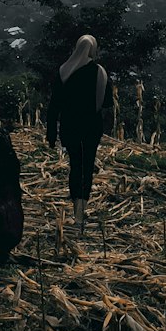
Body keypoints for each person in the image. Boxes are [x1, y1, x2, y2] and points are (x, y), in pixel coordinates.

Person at [46, 34, 107, 230]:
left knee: (75, 165)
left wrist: (51, 134)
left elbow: (54, 105)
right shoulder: (99, 73)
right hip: (91, 128)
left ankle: (76, 211)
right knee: (86, 167)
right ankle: (82, 212)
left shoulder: (64, 71)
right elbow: (107, 104)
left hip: (69, 128)